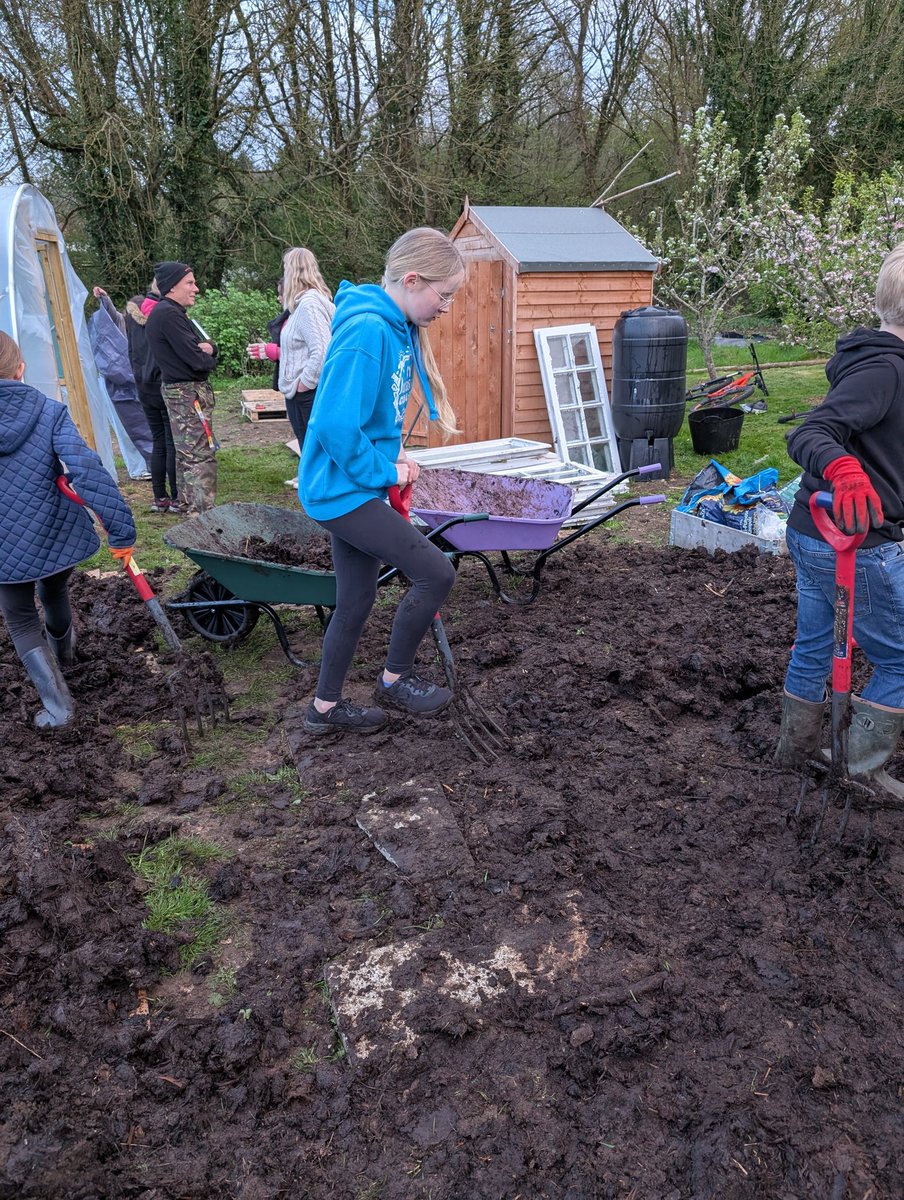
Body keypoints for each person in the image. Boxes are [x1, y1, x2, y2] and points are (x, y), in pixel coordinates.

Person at [298, 226, 464, 735]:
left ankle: (324, 711)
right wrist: (383, 470)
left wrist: (394, 456)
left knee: (356, 600)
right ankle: (396, 679)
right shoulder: (368, 330)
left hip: (354, 486)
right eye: (445, 294)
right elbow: (330, 424)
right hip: (341, 490)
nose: (448, 307)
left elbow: (371, 418)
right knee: (436, 573)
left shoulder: (395, 327)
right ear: (412, 279)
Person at [776, 241, 904, 799]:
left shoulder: (871, 358)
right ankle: (859, 768)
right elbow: (810, 432)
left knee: (818, 642)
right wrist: (845, 469)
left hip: (814, 530)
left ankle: (796, 750)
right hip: (855, 539)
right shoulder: (886, 371)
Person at [0, 330, 136, 728]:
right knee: (54, 588)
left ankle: (59, 709)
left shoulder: (49, 411)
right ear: (21, 369)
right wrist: (119, 528)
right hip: (53, 532)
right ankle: (66, 656)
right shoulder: (48, 411)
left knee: (21, 618)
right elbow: (87, 470)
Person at [144, 261, 218, 514]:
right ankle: (201, 515)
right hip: (187, 395)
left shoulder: (170, 313)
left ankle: (188, 507)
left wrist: (210, 350)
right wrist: (210, 355)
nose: (195, 288)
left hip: (182, 393)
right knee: (199, 455)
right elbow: (198, 360)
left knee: (186, 452)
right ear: (172, 287)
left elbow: (203, 349)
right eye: (189, 283)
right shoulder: (169, 315)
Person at [123, 282, 181, 514]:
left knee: (158, 441)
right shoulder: (164, 315)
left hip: (143, 385)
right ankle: (176, 497)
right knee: (171, 442)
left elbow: (130, 351)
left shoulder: (131, 317)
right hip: (163, 384)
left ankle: (160, 497)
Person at [246, 279, 288, 394]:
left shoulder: (306, 313)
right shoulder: (288, 316)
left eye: (281, 294)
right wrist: (268, 351)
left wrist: (277, 352)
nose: (278, 298)